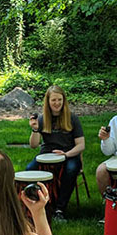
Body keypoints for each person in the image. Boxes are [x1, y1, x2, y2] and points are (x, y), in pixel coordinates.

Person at [26, 85, 85, 220]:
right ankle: (36, 205)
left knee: (70, 170)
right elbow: (34, 145)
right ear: (48, 102)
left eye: (59, 100)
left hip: (69, 154)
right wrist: (35, 129)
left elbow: (81, 145)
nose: (57, 103)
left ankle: (60, 208)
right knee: (30, 169)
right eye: (53, 100)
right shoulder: (42, 118)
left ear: (64, 100)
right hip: (47, 154)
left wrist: (66, 154)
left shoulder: (72, 118)